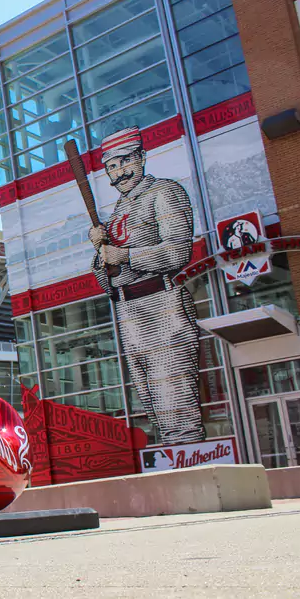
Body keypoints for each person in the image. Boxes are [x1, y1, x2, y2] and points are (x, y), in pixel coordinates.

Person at [88, 127, 205, 445]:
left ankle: (192, 474)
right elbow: (107, 280)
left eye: (125, 161)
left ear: (141, 157)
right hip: (129, 312)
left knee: (175, 402)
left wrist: (123, 254)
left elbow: (178, 251)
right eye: (111, 166)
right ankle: (178, 472)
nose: (119, 172)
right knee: (154, 405)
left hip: (162, 303)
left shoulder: (164, 192)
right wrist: (100, 252)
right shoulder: (118, 212)